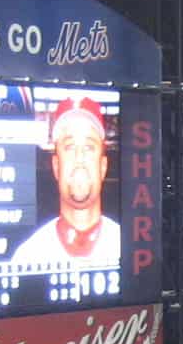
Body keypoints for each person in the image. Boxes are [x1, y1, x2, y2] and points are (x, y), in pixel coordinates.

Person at [10, 96, 120, 271]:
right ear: (56, 166)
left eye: (89, 147)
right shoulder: (27, 257)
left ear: (103, 167)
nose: (79, 157)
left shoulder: (129, 248)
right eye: (69, 147)